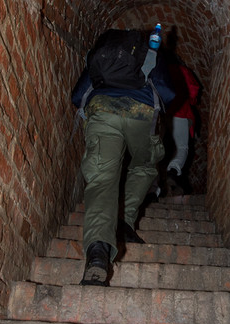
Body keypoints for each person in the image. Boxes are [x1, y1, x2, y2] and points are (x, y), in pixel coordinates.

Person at [72, 28, 174, 285]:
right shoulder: (152, 51)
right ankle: (126, 220)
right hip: (141, 113)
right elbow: (169, 92)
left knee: (102, 180)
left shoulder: (99, 55)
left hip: (102, 112)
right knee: (145, 164)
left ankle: (97, 252)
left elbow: (77, 95)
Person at [163, 38, 200, 196]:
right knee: (182, 147)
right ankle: (173, 170)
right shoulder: (183, 70)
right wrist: (191, 101)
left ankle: (158, 182)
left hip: (163, 113)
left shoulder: (162, 70)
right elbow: (194, 89)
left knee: (164, 146)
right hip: (181, 112)